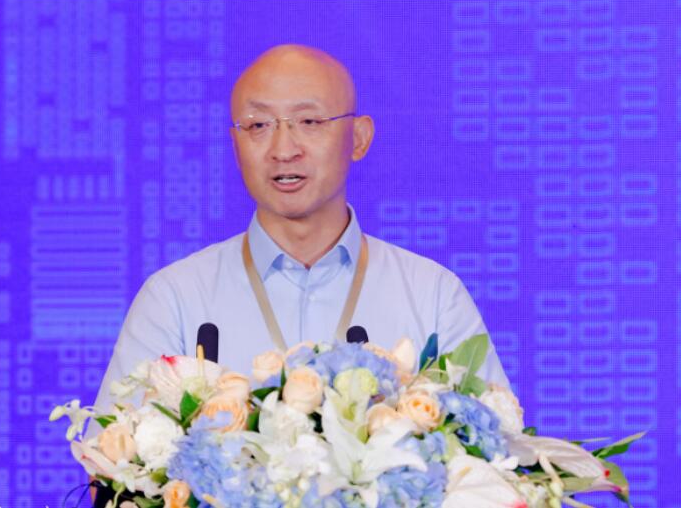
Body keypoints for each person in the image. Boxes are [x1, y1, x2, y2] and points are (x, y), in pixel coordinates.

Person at [91, 44, 509, 421]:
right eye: (258, 125)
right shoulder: (176, 299)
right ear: (235, 144)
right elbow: (111, 465)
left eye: (309, 121)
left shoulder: (432, 297)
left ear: (358, 138)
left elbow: (495, 450)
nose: (283, 149)